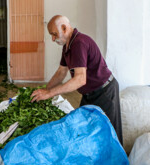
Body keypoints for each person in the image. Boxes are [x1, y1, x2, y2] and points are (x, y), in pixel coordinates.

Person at [31, 15, 123, 145]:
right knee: (84, 129)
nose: (52, 39)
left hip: (105, 92)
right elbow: (61, 72)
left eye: (54, 34)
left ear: (64, 28)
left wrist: (50, 93)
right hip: (89, 94)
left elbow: (80, 79)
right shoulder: (67, 46)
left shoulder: (79, 43)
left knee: (109, 135)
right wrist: (45, 90)